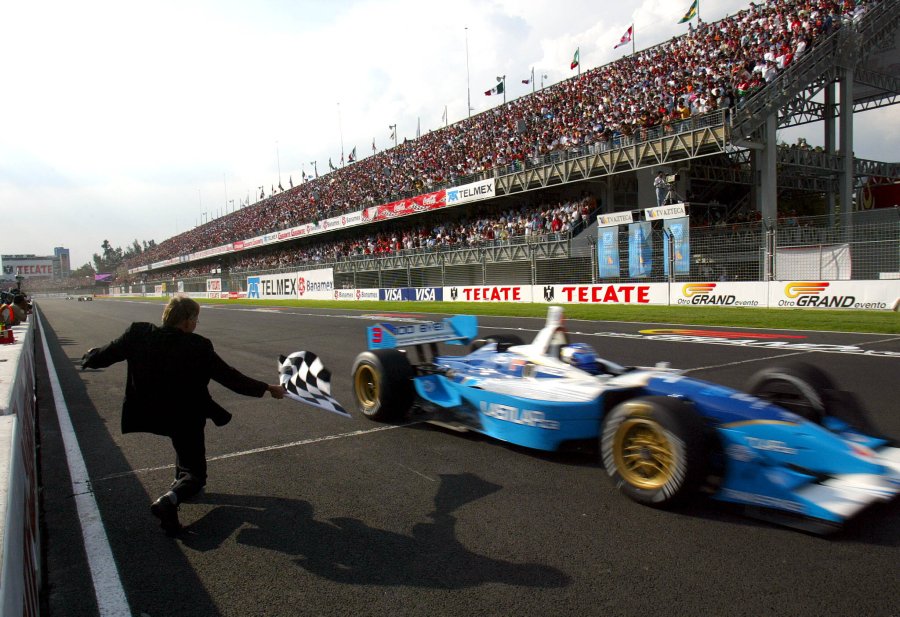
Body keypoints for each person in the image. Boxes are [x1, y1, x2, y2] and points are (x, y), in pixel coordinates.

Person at [81, 296, 286, 535]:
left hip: (148, 411)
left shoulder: (138, 333)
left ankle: (177, 489)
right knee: (196, 474)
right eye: (196, 319)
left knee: (184, 452)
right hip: (185, 414)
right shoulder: (197, 345)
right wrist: (268, 388)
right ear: (187, 321)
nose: (197, 324)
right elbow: (230, 377)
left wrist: (90, 356)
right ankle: (171, 498)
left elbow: (107, 353)